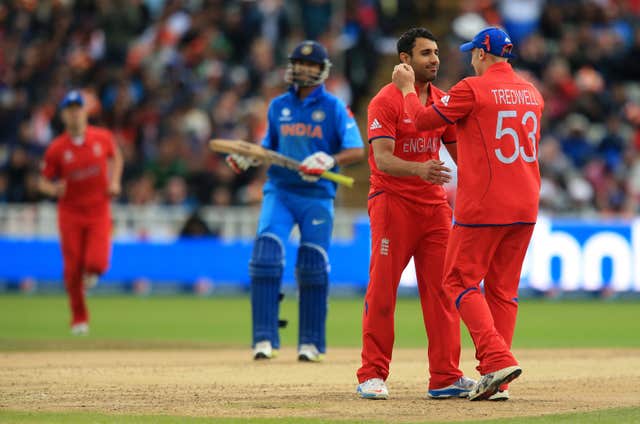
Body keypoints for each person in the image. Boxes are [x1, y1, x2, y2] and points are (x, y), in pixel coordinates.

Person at [392, 27, 544, 401]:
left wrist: (407, 89)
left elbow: (421, 121)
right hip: (526, 202)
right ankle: (499, 382)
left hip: (485, 205)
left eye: (471, 52)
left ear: (480, 54)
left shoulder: (471, 89)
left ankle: (495, 359)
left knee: (458, 280)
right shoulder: (532, 92)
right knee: (503, 292)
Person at [356, 27, 475, 400]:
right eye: (425, 53)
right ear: (404, 60)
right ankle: (371, 374)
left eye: (436, 52)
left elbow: (461, 156)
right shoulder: (385, 101)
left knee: (443, 292)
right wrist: (420, 169)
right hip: (393, 204)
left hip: (435, 209)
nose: (435, 59)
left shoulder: (442, 101)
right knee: (383, 291)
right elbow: (384, 160)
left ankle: (444, 377)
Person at [226, 40, 364, 362]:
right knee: (265, 257)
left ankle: (311, 343)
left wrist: (329, 160)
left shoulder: (333, 107)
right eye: (298, 64)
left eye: (311, 65)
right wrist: (248, 158)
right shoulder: (277, 107)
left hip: (317, 196)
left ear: (322, 70)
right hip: (281, 191)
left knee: (313, 264)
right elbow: (267, 148)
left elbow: (357, 150)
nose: (303, 69)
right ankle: (263, 338)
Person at [39, 90, 123, 335]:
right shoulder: (56, 149)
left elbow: (116, 157)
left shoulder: (102, 138)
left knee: (97, 262)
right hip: (70, 213)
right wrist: (53, 189)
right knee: (72, 269)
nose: (75, 114)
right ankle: (79, 318)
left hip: (98, 208)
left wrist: (115, 181)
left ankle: (92, 273)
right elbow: (42, 181)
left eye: (78, 109)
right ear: (64, 115)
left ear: (85, 112)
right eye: (70, 110)